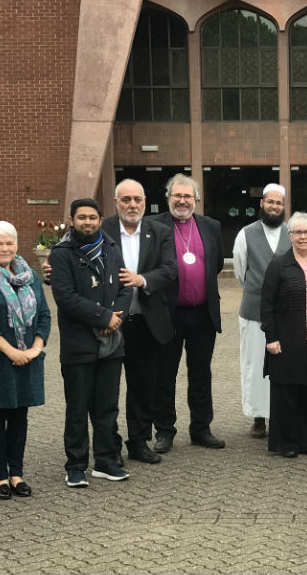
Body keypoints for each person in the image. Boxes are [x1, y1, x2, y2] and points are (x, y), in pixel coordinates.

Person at [50, 198, 131, 487]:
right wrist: (103, 318)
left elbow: (125, 287)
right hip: (78, 344)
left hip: (111, 343)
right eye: (82, 217)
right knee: (77, 408)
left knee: (107, 406)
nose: (88, 222)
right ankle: (76, 465)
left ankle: (107, 461)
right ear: (71, 220)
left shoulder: (111, 248)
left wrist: (116, 318)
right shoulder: (61, 254)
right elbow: (65, 296)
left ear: (100, 219)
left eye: (93, 217)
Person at [0, 221, 50, 500]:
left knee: (19, 417)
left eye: (9, 243)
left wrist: (35, 348)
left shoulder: (31, 276)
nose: (5, 248)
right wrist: (10, 351)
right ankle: (0, 478)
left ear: (16, 245)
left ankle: (17, 475)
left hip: (28, 358)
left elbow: (45, 316)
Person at [147, 174, 225, 451]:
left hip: (203, 314)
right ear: (168, 198)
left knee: (201, 373)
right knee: (164, 374)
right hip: (168, 313)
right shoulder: (153, 225)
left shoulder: (211, 226)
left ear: (196, 199)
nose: (182, 201)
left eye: (187, 196)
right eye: (177, 196)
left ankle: (201, 428)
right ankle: (164, 430)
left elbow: (214, 265)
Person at [103, 179, 177, 464]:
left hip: (146, 323)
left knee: (142, 388)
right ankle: (109, 446)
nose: (132, 205)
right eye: (126, 200)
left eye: (137, 200)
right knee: (107, 390)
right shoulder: (103, 228)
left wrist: (142, 280)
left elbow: (170, 269)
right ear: (116, 201)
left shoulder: (159, 231)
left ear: (145, 202)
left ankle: (138, 442)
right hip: (110, 323)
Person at [260, 212, 307, 457]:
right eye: (298, 232)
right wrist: (271, 337)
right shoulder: (279, 265)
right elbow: (266, 304)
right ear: (290, 236)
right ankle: (288, 443)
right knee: (288, 394)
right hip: (287, 341)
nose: (303, 237)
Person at [233, 183, 291, 438]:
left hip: (287, 313)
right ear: (262, 204)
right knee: (256, 365)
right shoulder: (246, 233)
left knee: (285, 364)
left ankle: (282, 413)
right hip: (254, 311)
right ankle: (258, 417)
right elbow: (240, 272)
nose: (275, 207)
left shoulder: (293, 232)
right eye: (270, 202)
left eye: (279, 203)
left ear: (283, 207)